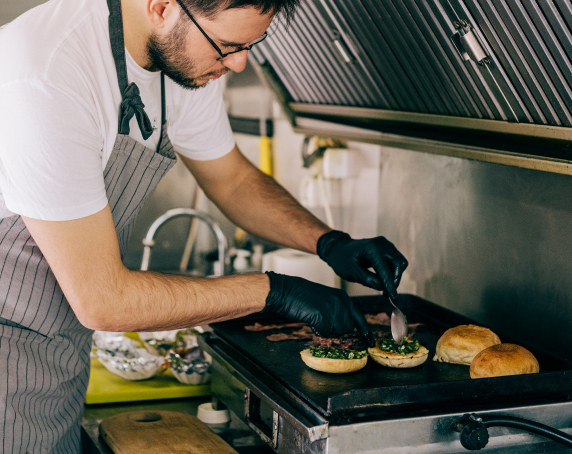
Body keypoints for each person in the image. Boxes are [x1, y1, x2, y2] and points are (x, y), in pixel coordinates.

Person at [0, 0, 408, 451]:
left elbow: (231, 179)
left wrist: (329, 242)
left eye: (251, 45)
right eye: (228, 46)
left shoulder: (182, 58)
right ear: (160, 7)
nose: (238, 63)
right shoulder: (46, 74)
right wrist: (275, 292)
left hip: (58, 349)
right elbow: (102, 299)